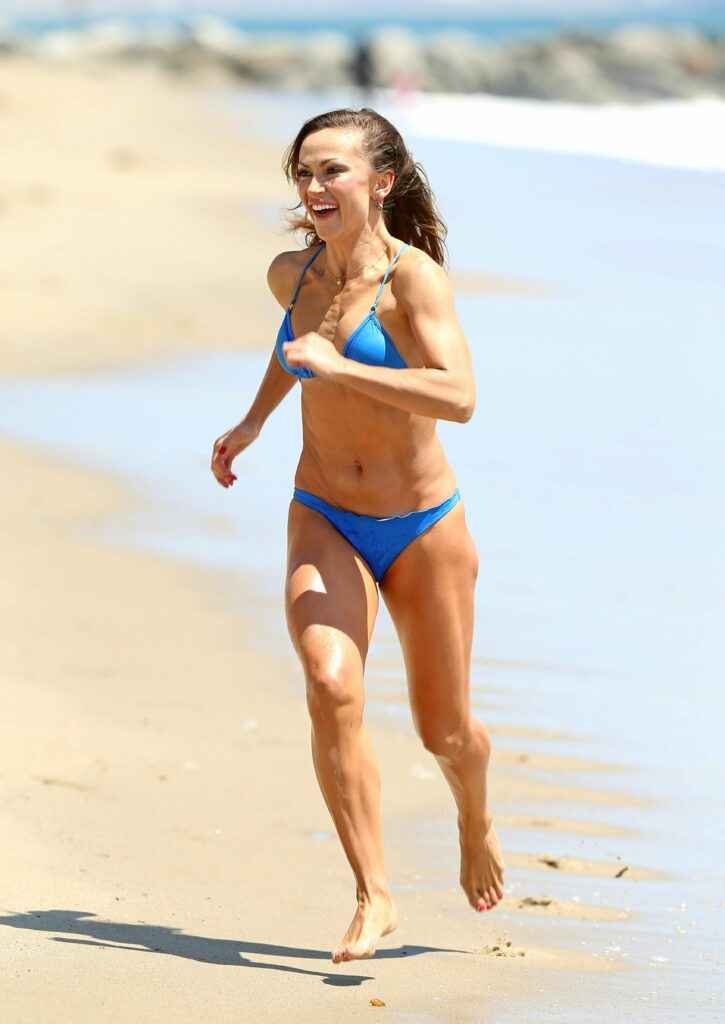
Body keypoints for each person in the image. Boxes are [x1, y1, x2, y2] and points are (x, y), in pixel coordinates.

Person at [210, 108, 504, 964]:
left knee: (444, 733)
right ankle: (374, 894)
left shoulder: (414, 281)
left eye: (331, 170)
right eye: (303, 172)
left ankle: (475, 818)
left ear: (381, 181)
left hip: (422, 526)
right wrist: (254, 420)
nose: (313, 186)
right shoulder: (291, 273)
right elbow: (293, 342)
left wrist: (342, 368)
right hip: (325, 510)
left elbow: (459, 396)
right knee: (329, 683)